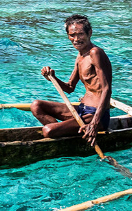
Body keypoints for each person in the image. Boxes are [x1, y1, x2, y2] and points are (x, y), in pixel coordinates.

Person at [30, 14, 112, 147]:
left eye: (80, 34)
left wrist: (95, 123)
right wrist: (52, 77)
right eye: (72, 35)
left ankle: (63, 132)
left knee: (47, 130)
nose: (76, 39)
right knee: (36, 105)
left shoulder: (95, 53)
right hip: (81, 109)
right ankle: (66, 132)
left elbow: (106, 89)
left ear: (89, 33)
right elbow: (69, 88)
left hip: (96, 115)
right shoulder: (80, 55)